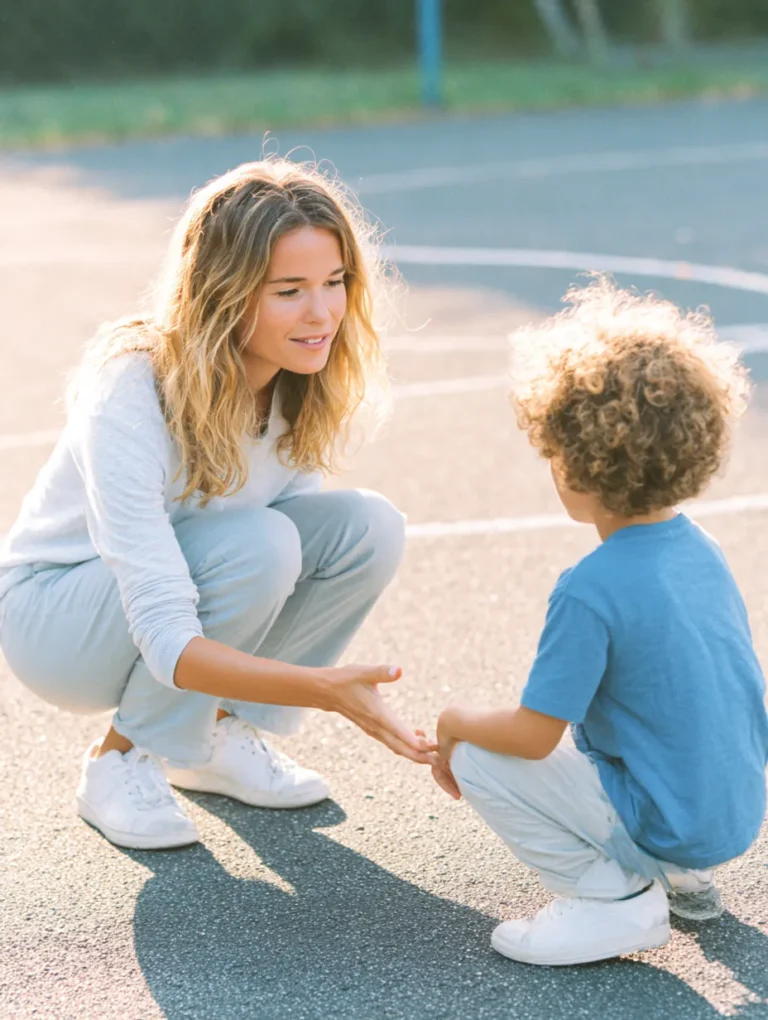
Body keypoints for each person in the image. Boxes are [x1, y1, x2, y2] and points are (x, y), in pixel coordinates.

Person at [0, 158, 429, 852]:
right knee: (260, 546)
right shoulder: (133, 385)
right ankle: (119, 759)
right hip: (55, 622)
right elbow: (168, 625)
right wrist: (321, 688)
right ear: (224, 292)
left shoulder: (299, 379)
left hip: (170, 601)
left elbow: (282, 552)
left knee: (367, 527)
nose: (322, 314)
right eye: (289, 290)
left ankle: (213, 734)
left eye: (335, 282)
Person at [429, 279, 768, 966]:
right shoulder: (699, 549)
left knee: (478, 755)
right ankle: (681, 876)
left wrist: (453, 721)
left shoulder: (589, 589)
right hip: (732, 812)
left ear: (580, 464)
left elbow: (530, 737)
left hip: (668, 821)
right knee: (644, 712)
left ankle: (608, 901)